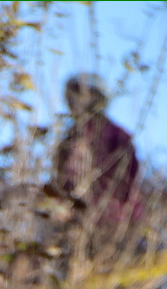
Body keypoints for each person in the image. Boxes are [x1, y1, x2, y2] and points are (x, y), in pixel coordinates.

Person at [52, 73, 143, 247]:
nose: (72, 103)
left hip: (105, 224)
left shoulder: (114, 136)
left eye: (78, 95)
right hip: (96, 224)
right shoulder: (71, 137)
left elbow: (130, 180)